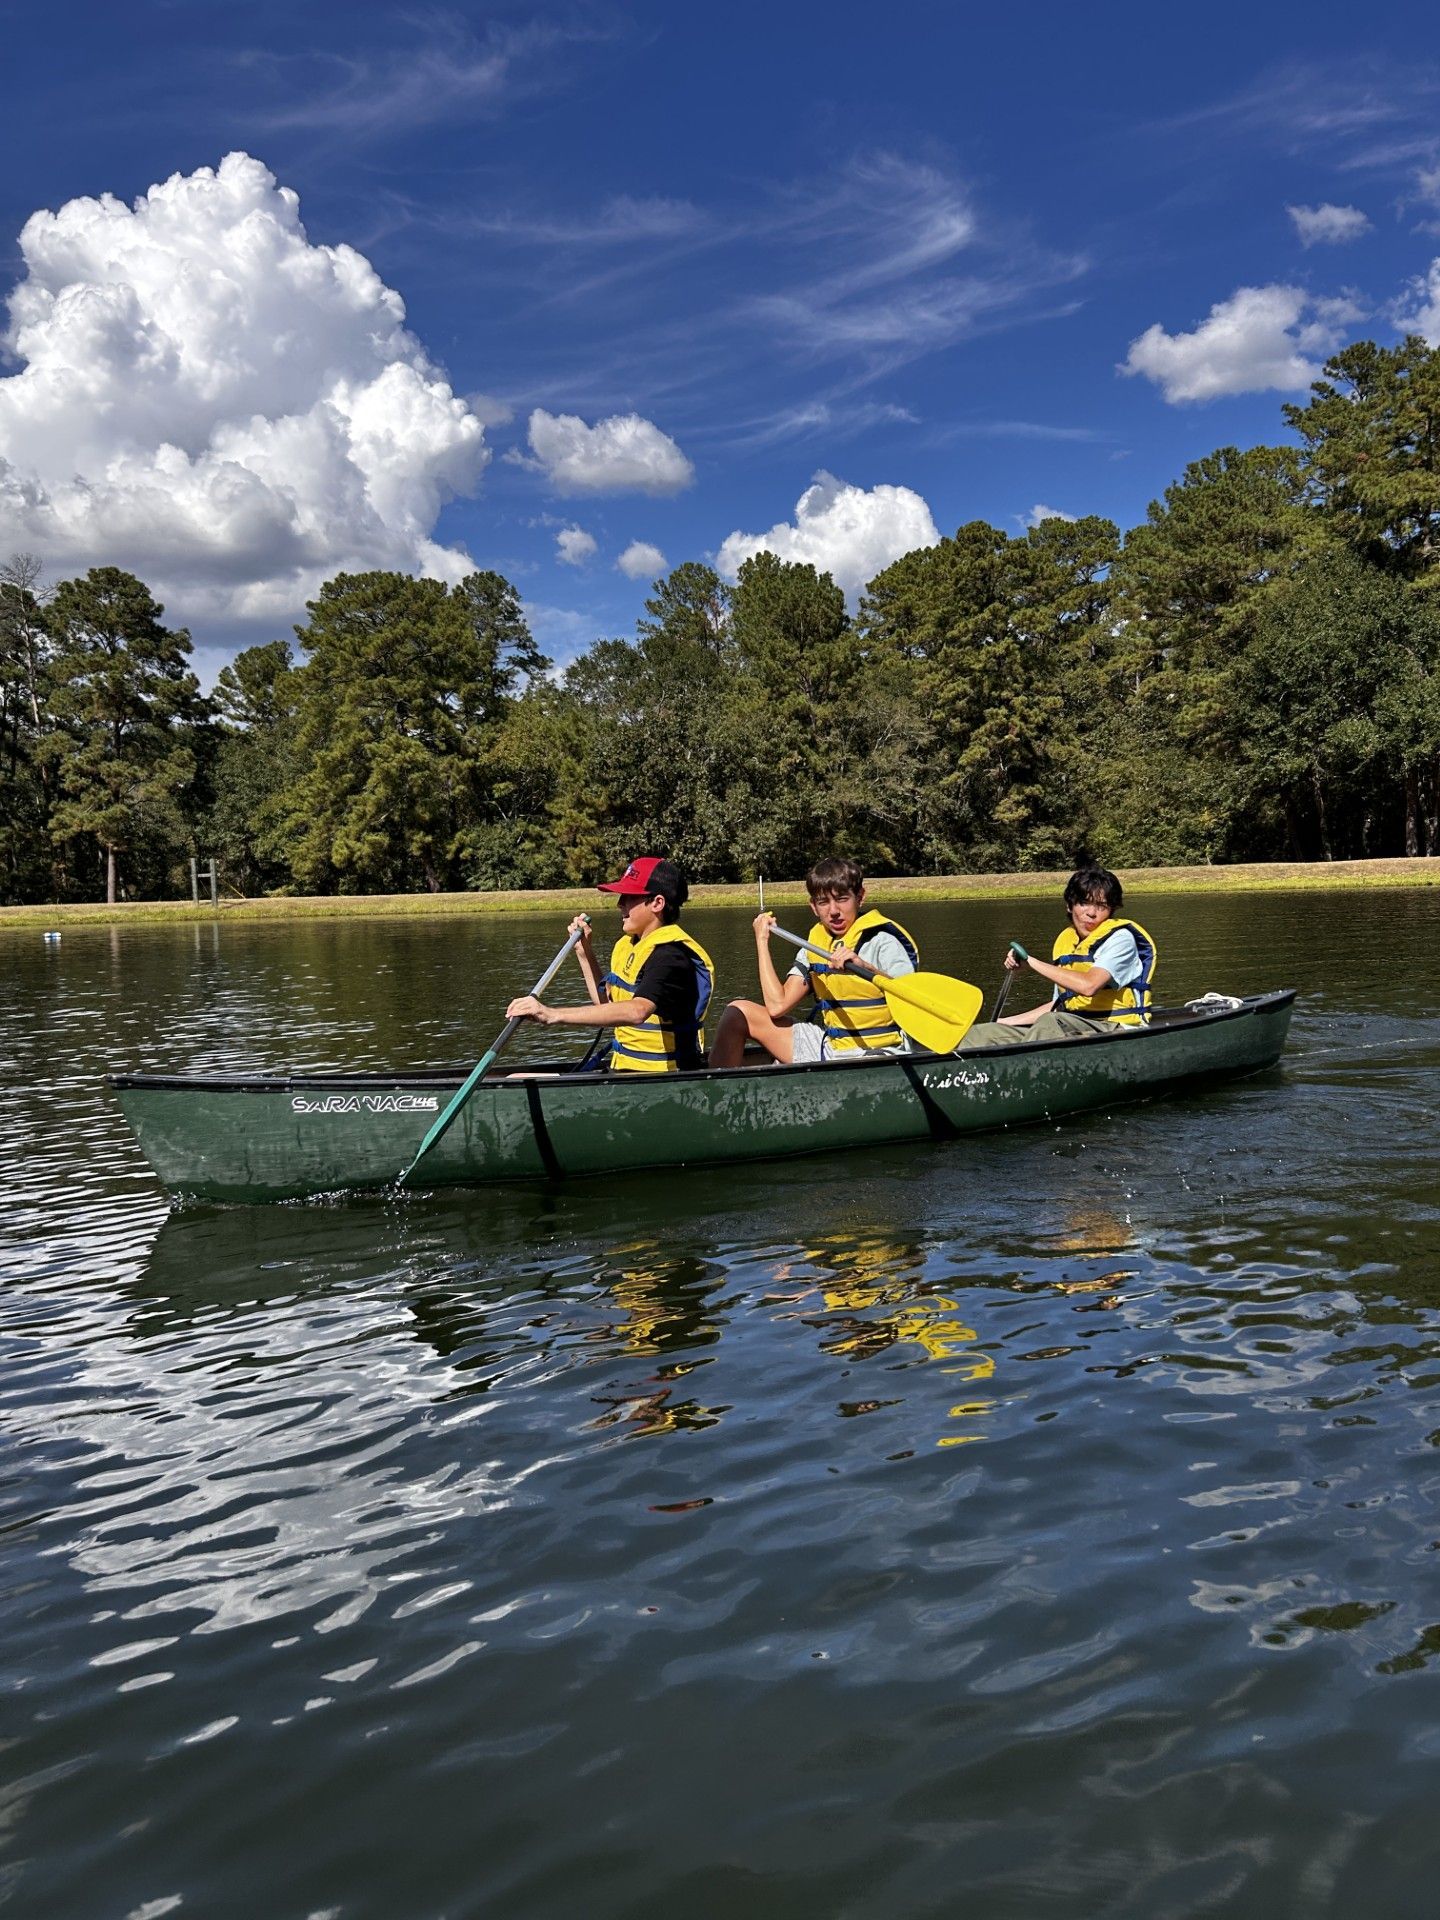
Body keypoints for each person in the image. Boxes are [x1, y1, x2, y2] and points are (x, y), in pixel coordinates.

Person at [506, 856, 714, 1073]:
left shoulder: (670, 956)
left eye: (630, 896)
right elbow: (605, 1004)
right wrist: (584, 952)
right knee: (517, 1077)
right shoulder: (631, 944)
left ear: (657, 903)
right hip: (627, 1073)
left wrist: (551, 1014)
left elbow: (637, 1012)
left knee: (516, 1080)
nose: (620, 903)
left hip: (664, 1079)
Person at [708, 856, 919, 1068]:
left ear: (860, 897)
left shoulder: (884, 941)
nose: (833, 911)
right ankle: (715, 1094)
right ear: (813, 907)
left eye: (842, 899)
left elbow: (914, 1001)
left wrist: (865, 967)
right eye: (823, 902)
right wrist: (762, 941)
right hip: (830, 1049)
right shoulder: (814, 946)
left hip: (881, 1053)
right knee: (737, 1012)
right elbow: (776, 1006)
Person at [956, 865, 1156, 1050]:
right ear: (1070, 906)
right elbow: (1058, 1006)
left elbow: (1089, 986)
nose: (1092, 913)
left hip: (1118, 1029)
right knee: (981, 1033)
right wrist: (1004, 1022)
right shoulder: (1065, 943)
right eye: (1084, 903)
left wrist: (1030, 962)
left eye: (1102, 906)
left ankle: (1016, 1073)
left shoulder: (1120, 939)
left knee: (1051, 1023)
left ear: (1111, 910)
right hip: (1069, 1027)